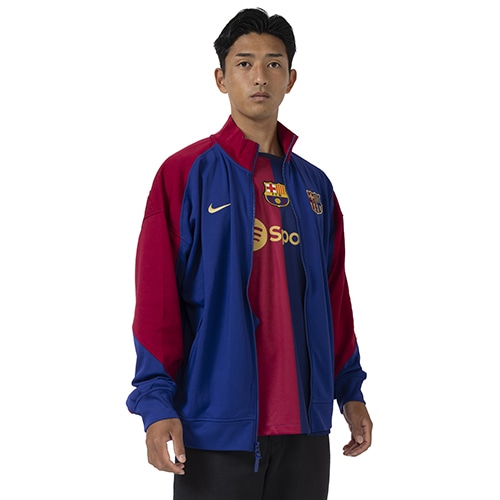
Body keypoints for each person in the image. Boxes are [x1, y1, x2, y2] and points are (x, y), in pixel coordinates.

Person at [126, 7, 372, 500]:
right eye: (244, 63)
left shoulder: (315, 187)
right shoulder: (184, 174)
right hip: (214, 429)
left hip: (305, 430)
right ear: (221, 78)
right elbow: (157, 303)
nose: (260, 76)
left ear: (291, 78)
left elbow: (335, 299)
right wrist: (155, 404)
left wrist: (350, 390)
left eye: (273, 63)